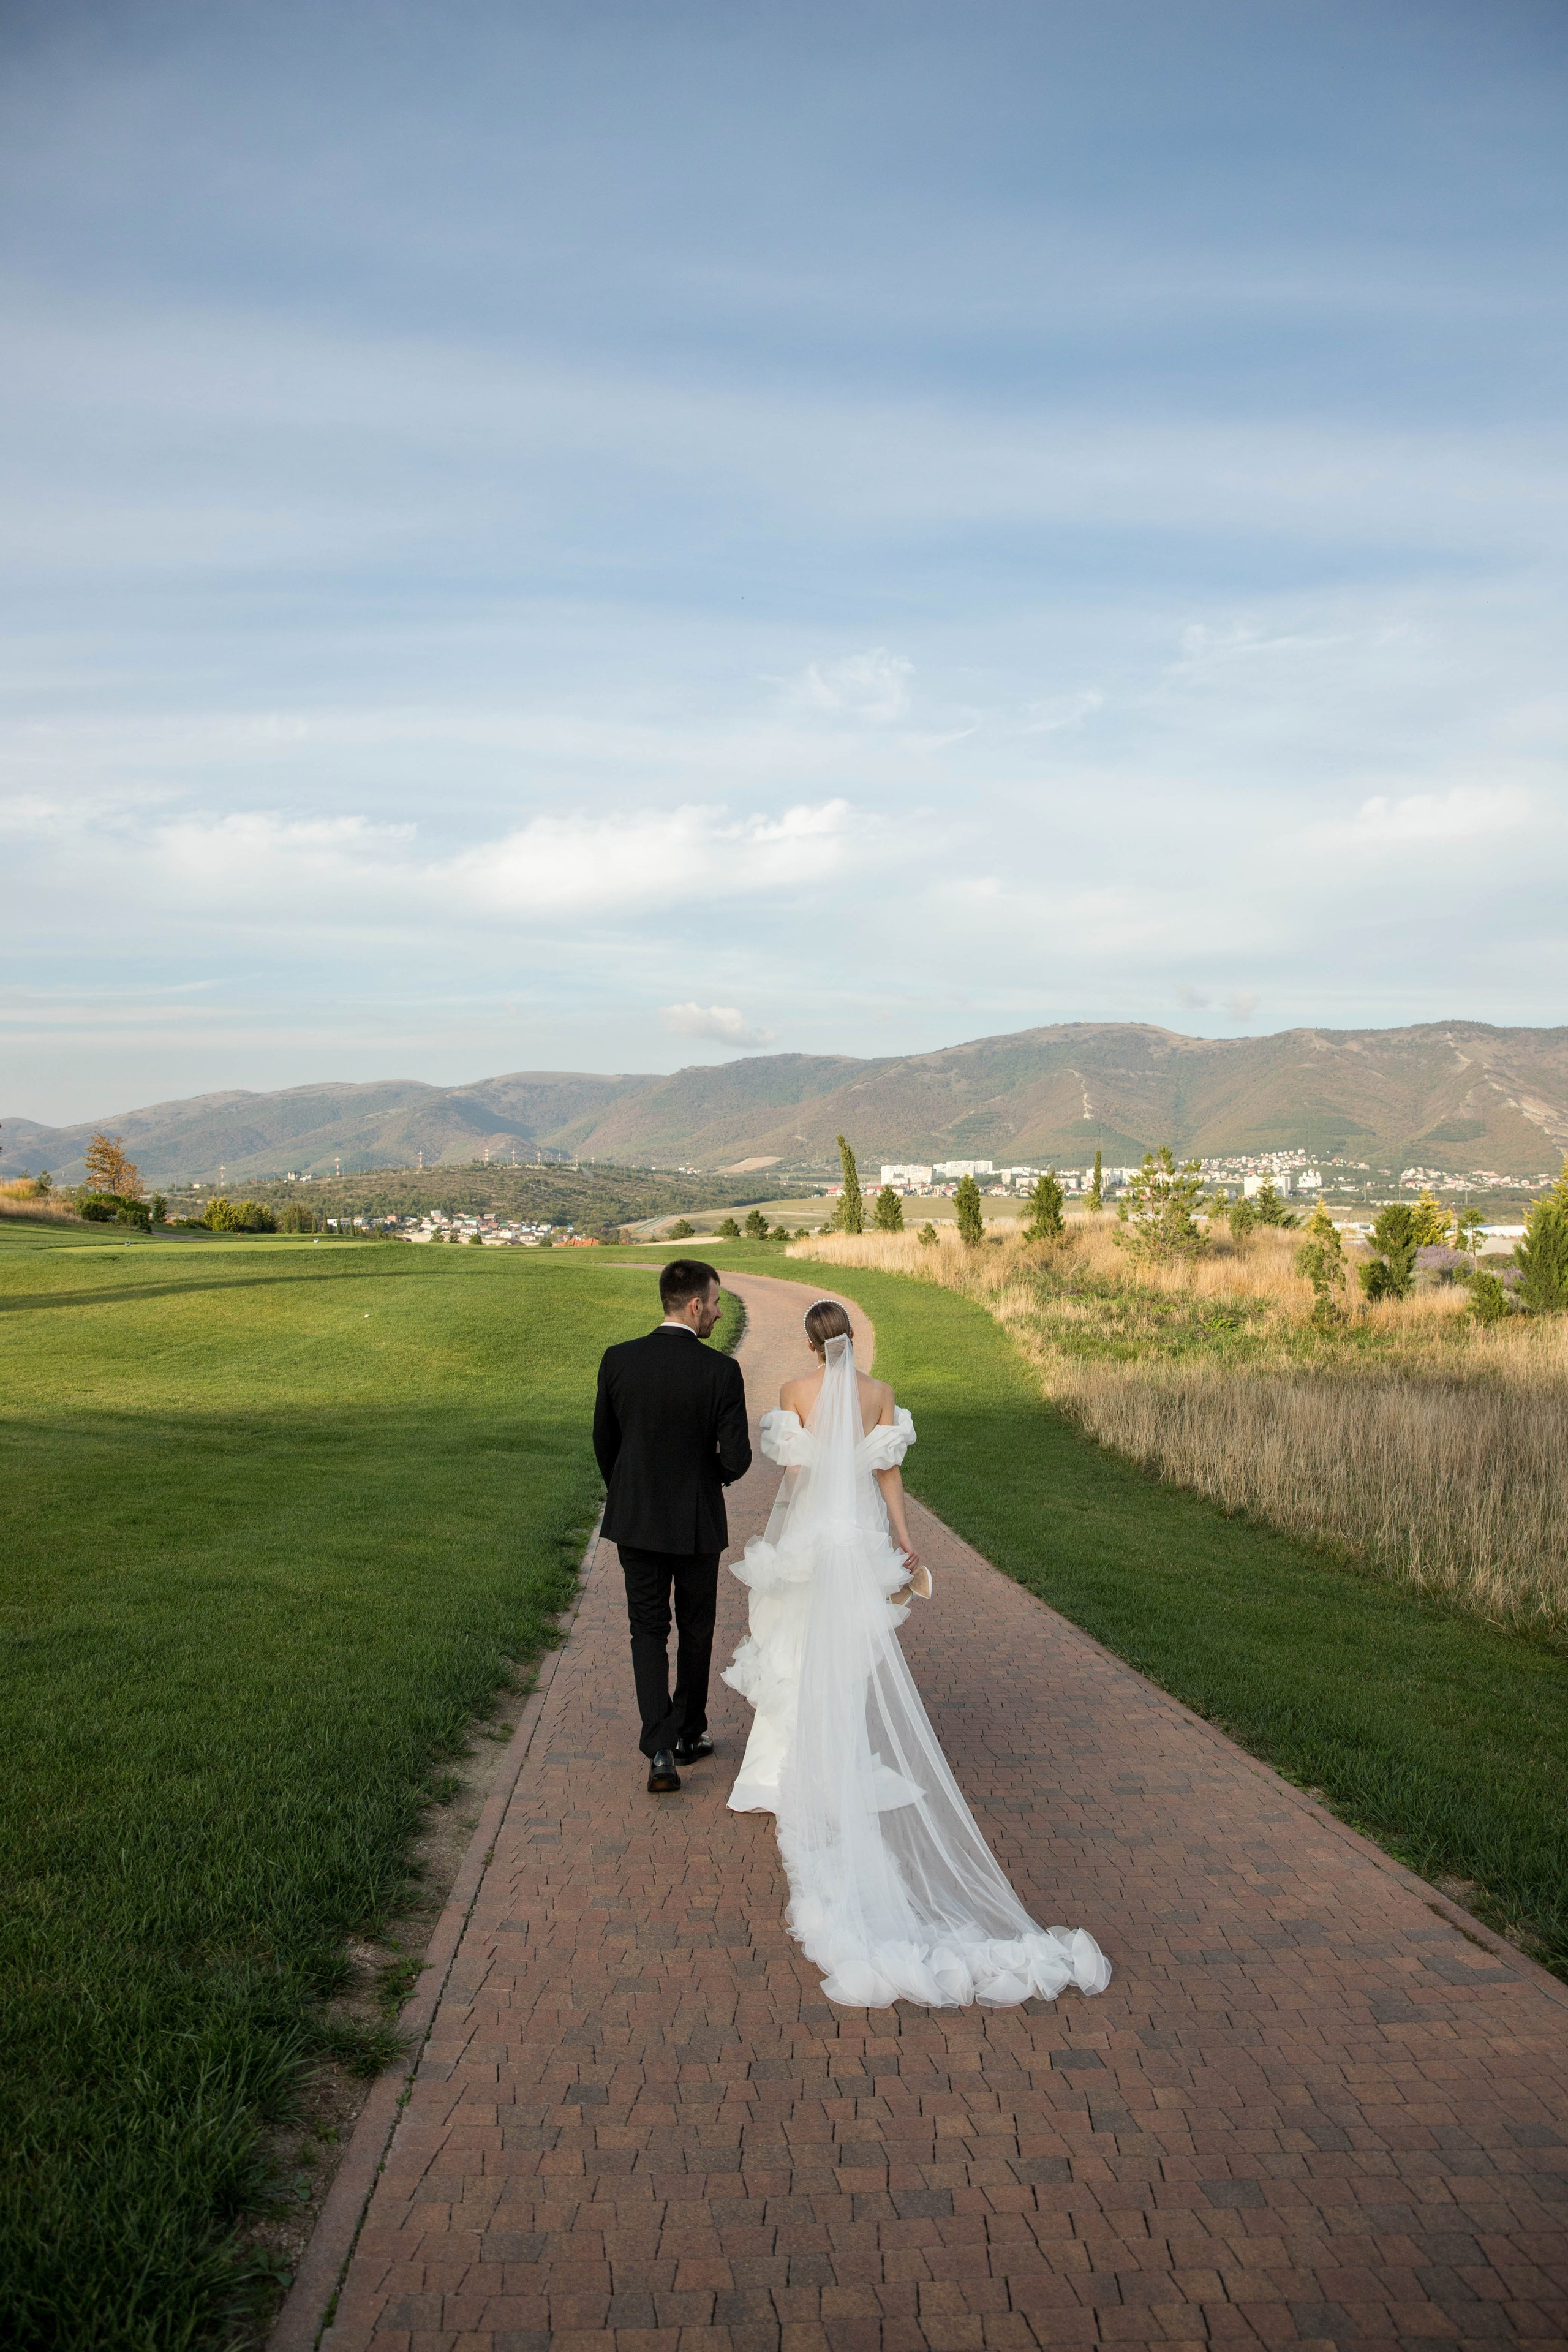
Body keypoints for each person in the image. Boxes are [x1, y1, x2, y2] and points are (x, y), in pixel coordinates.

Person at [723, 1297, 1111, 2010]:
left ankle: (788, 1769)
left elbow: (794, 1476)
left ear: (812, 1346)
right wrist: (904, 1540)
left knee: (799, 1650)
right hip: (859, 1535)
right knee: (848, 1658)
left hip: (813, 1537)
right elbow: (887, 1477)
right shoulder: (880, 1395)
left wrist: (779, 1537)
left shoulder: (794, 1394)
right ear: (848, 1341)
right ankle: (840, 1753)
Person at [594, 1259, 751, 1793]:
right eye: (715, 1303)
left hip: (636, 1519)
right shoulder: (720, 1372)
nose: (718, 1311)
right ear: (693, 1306)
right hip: (696, 1521)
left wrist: (631, 1487)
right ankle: (688, 1733)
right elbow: (737, 1459)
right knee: (697, 1628)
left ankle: (659, 1748)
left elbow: (605, 1444)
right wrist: (707, 1476)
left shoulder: (618, 1361)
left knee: (647, 1629)